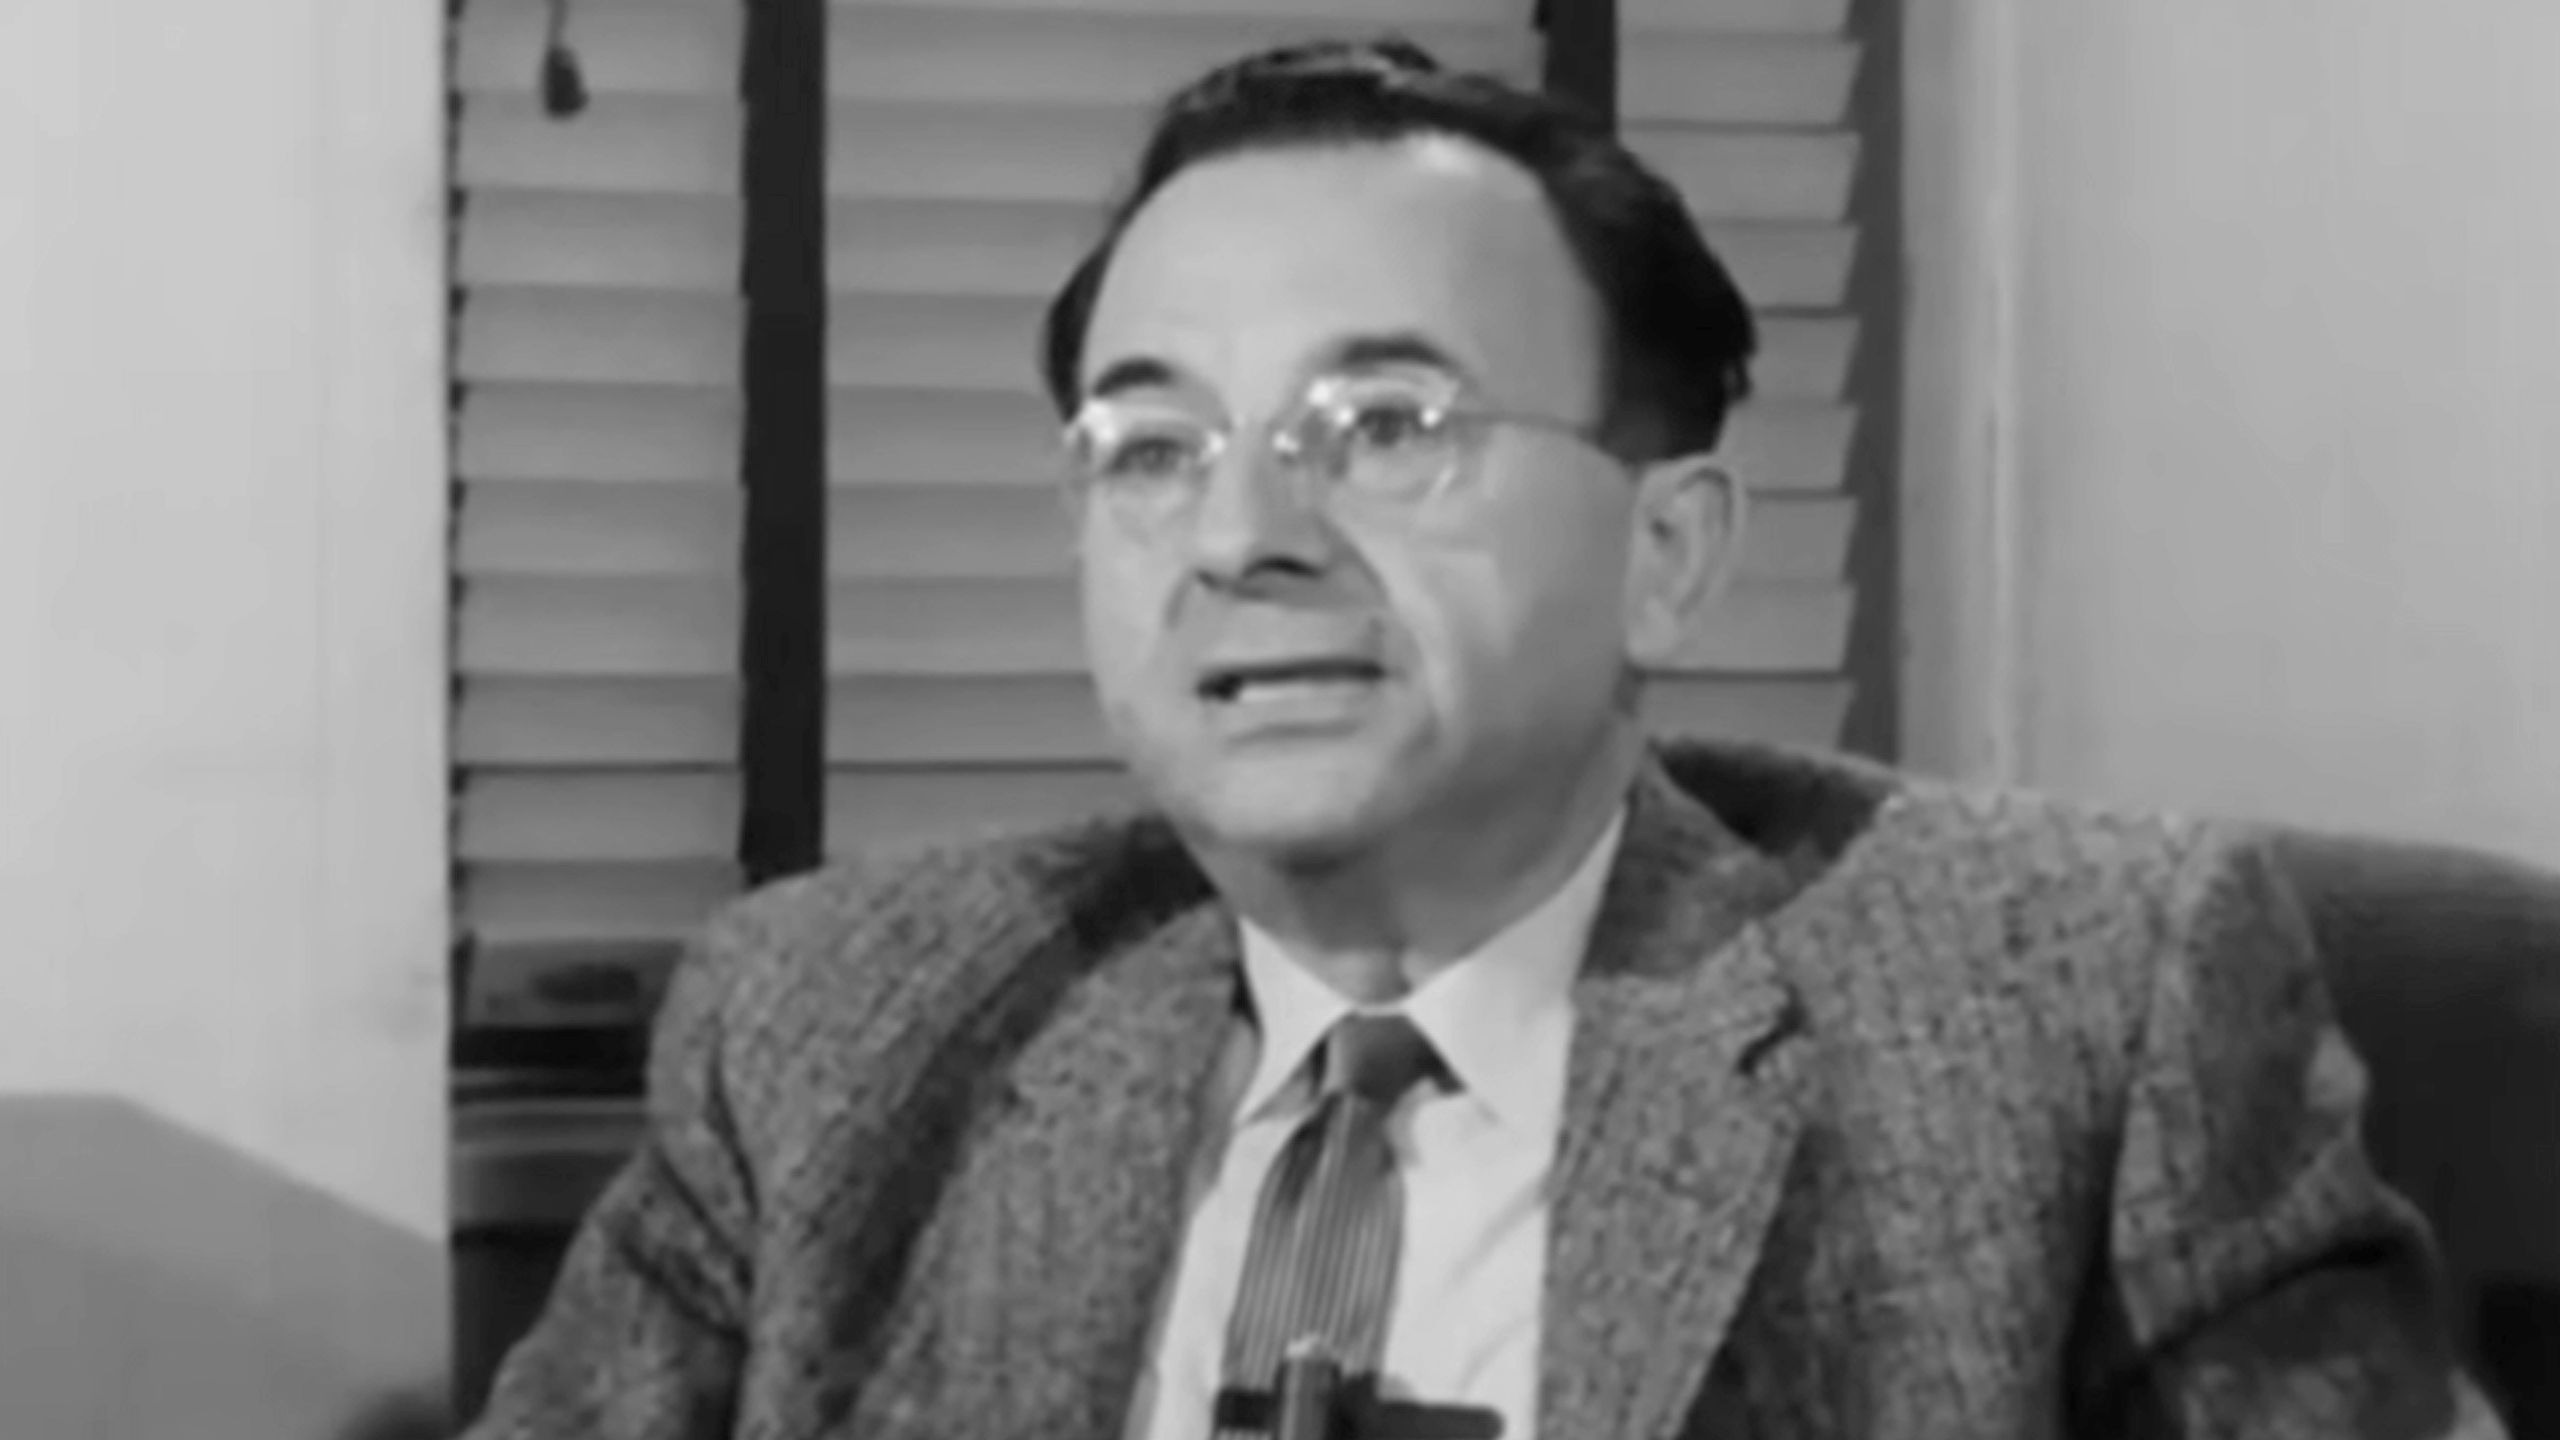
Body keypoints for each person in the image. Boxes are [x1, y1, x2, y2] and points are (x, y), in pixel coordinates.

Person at [462, 38, 2502, 1440]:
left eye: (1382, 433)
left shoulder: (2074, 1006)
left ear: (1666, 555)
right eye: (1151, 448)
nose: (1242, 539)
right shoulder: (837, 1030)